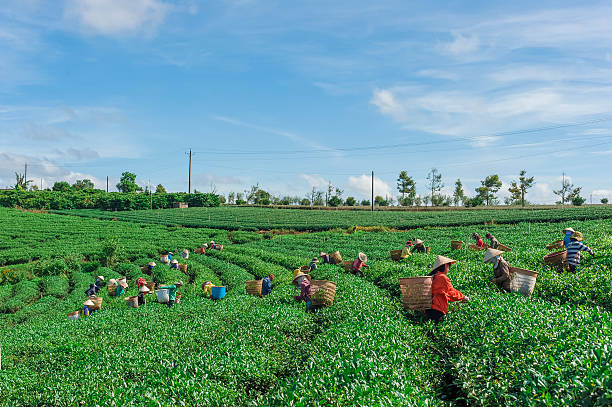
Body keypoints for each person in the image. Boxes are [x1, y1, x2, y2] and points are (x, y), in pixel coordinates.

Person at [425, 255, 468, 324]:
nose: (449, 268)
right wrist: (463, 297)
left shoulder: (433, 276)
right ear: (444, 266)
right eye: (448, 266)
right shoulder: (442, 277)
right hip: (438, 309)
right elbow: (451, 293)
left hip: (428, 308)